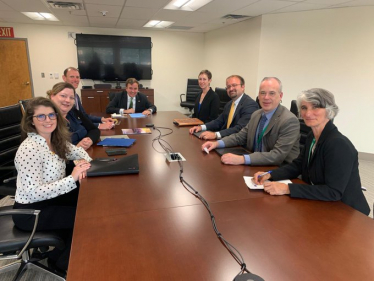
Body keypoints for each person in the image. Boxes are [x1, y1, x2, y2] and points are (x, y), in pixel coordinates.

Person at [253, 88, 370, 215]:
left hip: (347, 212)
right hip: (322, 204)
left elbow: (333, 192)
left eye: (315, 107)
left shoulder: (338, 144)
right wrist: (270, 174)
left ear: (329, 110)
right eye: (304, 108)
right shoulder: (312, 136)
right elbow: (298, 165)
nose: (308, 114)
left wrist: (288, 188)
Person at [12, 97, 92, 273]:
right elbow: (33, 192)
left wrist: (81, 163)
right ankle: (61, 264)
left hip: (52, 198)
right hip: (31, 211)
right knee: (84, 219)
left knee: (88, 202)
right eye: (41, 116)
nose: (47, 120)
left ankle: (64, 250)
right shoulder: (30, 148)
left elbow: (79, 152)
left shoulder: (55, 140)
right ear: (31, 121)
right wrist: (72, 178)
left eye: (51, 115)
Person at [202, 77, 299, 166]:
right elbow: (239, 137)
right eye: (262, 93)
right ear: (258, 96)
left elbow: (276, 156)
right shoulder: (256, 114)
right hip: (254, 165)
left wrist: (242, 159)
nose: (266, 97)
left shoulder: (289, 121)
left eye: (272, 93)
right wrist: (217, 143)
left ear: (280, 95)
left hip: (278, 170)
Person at [189, 75, 258, 140]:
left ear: (243, 87)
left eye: (234, 85)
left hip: (238, 144)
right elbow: (219, 121)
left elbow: (239, 129)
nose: (231, 89)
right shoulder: (229, 104)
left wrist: (216, 134)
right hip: (225, 139)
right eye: (228, 87)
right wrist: (201, 127)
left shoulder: (250, 105)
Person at [47, 82, 100, 150]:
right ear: (52, 96)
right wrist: (75, 149)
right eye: (63, 96)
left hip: (86, 154)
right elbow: (52, 151)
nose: (68, 100)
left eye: (71, 97)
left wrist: (89, 140)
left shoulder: (74, 111)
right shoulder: (47, 120)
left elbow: (94, 130)